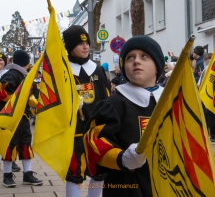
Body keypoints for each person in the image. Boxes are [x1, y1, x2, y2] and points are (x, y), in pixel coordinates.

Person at [84, 35, 165, 197]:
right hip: (125, 187)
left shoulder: (170, 102)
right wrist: (123, 158)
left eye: (144, 56)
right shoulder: (114, 105)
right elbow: (95, 143)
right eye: (130, 57)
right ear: (123, 67)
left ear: (157, 66)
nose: (136, 61)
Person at [63, 25, 109, 197]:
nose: (85, 47)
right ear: (69, 47)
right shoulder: (63, 70)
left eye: (87, 43)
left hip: (97, 130)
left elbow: (106, 97)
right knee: (75, 173)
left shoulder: (97, 69)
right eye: (80, 43)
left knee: (99, 173)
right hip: (74, 131)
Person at [0, 50, 43, 188]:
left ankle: (28, 173)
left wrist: (32, 102)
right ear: (26, 63)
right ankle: (7, 175)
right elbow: (4, 92)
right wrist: (20, 100)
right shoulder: (13, 74)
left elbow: (24, 94)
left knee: (25, 143)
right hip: (11, 117)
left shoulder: (21, 75)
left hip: (23, 117)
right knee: (10, 145)